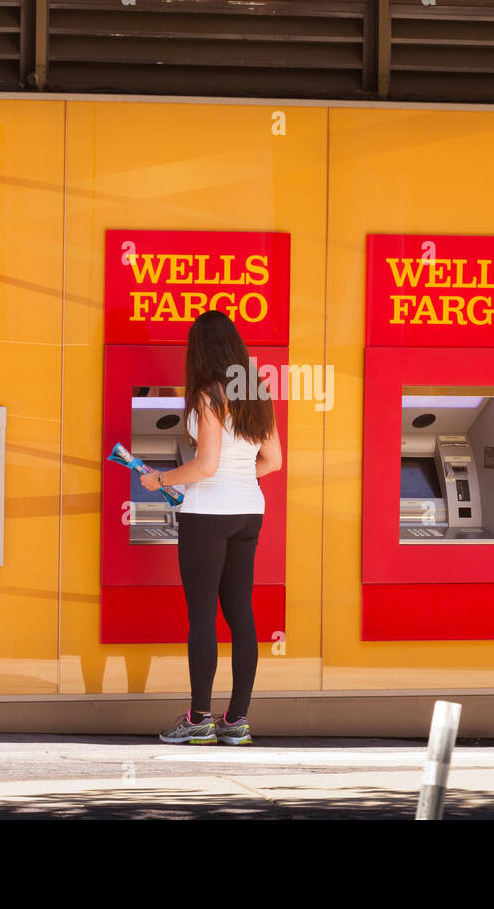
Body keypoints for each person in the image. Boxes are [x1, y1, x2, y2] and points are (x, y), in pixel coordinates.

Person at [140, 310, 282, 746]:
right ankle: (236, 720)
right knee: (241, 613)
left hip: (207, 515)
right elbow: (273, 461)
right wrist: (239, 480)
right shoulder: (256, 393)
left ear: (199, 351)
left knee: (202, 613)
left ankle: (199, 717)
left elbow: (205, 465)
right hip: (248, 513)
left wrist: (158, 479)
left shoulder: (207, 396)